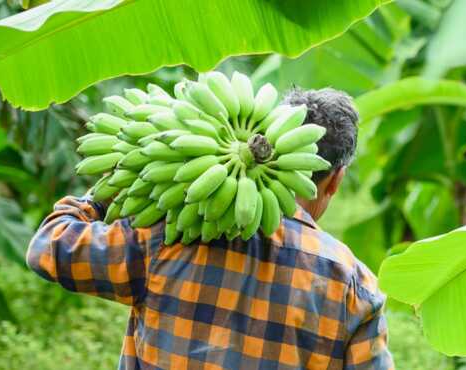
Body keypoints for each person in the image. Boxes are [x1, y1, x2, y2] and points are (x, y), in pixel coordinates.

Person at [26, 88, 393, 369]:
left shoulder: (171, 234)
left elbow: (50, 248)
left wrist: (110, 189)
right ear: (336, 180)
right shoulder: (353, 286)